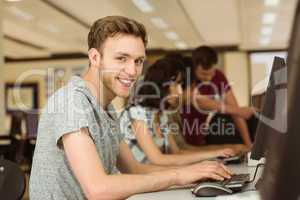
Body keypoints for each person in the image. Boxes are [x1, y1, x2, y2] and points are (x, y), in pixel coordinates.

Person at [29, 16, 232, 199]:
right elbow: (98, 189)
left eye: (138, 61)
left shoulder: (106, 109)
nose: (132, 70)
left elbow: (134, 169)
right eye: (121, 58)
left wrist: (195, 171)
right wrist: (178, 175)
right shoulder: (71, 102)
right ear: (95, 58)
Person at [120, 57, 242, 166]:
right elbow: (158, 159)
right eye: (176, 84)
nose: (179, 91)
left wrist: (216, 155)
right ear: (162, 84)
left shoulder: (162, 115)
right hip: (138, 186)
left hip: (156, 183)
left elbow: (177, 153)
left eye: (181, 85)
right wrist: (212, 155)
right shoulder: (137, 113)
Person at [181, 46, 255, 149]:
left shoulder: (219, 76)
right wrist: (239, 111)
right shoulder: (188, 76)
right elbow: (200, 101)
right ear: (194, 68)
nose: (209, 78)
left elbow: (235, 111)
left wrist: (249, 145)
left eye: (211, 73)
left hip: (202, 135)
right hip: (183, 133)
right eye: (203, 74)